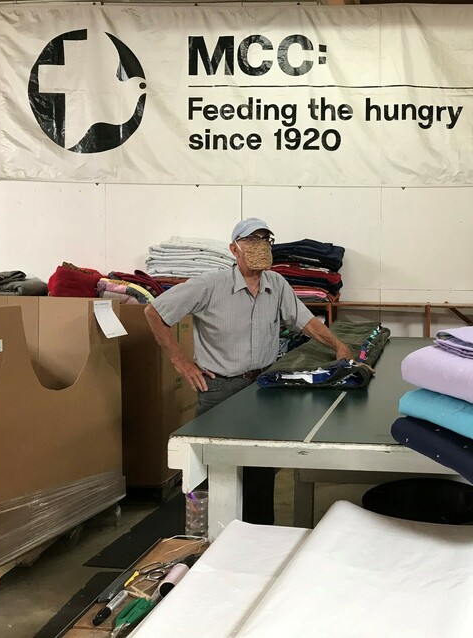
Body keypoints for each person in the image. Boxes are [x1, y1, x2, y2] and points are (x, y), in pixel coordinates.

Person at [145, 218, 352, 524]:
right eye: (252, 241)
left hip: (261, 390)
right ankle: (212, 543)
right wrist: (181, 362)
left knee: (260, 470)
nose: (261, 246)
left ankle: (259, 537)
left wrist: (338, 346)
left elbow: (305, 321)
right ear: (234, 249)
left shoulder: (277, 284)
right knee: (216, 475)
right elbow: (154, 312)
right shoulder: (209, 285)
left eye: (266, 240)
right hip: (219, 390)